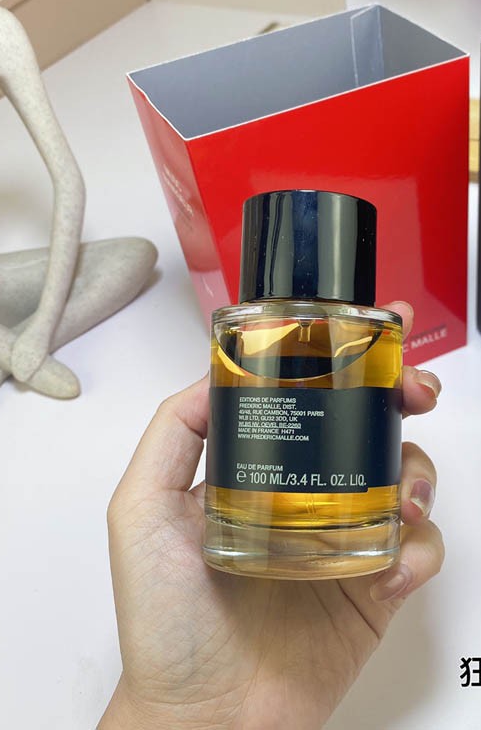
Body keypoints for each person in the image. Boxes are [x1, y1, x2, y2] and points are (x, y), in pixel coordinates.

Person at [99, 302, 443, 729]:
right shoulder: (240, 328)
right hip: (239, 558)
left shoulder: (258, 332)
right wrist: (179, 713)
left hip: (348, 550)